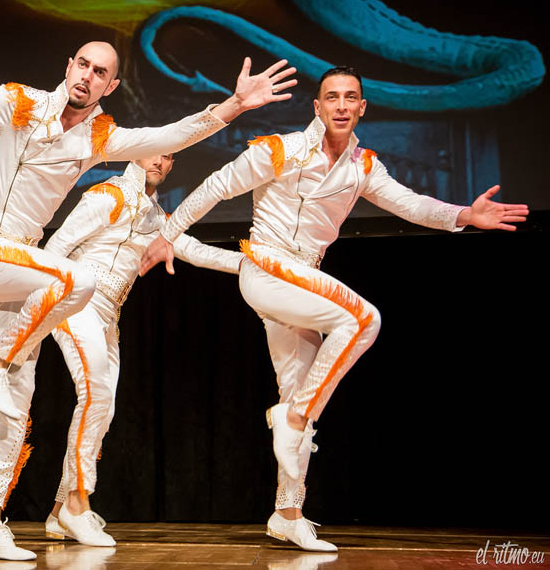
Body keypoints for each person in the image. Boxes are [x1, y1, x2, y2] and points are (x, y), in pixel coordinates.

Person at [0, 42, 296, 560]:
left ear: (111, 86)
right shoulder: (16, 102)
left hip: (18, 272)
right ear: (68, 67)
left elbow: (169, 135)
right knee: (78, 283)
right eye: (83, 65)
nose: (88, 76)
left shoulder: (98, 137)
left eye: (100, 72)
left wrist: (235, 105)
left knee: (16, 399)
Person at [141, 67, 528, 551]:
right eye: (332, 97)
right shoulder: (280, 150)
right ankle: (293, 419)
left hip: (300, 285)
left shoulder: (362, 166)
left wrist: (464, 215)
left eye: (350, 98)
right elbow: (217, 186)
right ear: (317, 107)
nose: (341, 105)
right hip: (270, 268)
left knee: (300, 388)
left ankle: (287, 512)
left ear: (362, 107)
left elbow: (410, 204)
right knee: (364, 319)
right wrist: (167, 234)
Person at [42, 153, 243, 546]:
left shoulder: (155, 215)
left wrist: (252, 265)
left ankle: (58, 513)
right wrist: (43, 306)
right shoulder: (107, 195)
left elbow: (193, 249)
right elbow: (56, 247)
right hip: (77, 302)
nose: (161, 161)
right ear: (136, 151)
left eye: (169, 156)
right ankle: (77, 505)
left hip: (108, 315)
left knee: (103, 412)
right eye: (155, 151)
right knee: (95, 397)